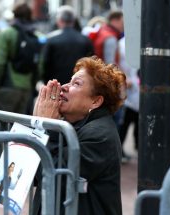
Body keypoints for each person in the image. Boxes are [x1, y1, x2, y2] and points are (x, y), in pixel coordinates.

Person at [34, 56, 126, 215]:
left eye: (76, 84)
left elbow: (55, 176)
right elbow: (35, 174)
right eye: (70, 81)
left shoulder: (99, 136)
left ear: (95, 102)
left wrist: (48, 127)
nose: (64, 87)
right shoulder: (73, 125)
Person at [0, 2, 39, 179]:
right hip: (25, 90)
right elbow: (38, 67)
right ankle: (13, 173)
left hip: (7, 88)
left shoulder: (7, 34)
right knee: (19, 134)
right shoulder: (35, 35)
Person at [41, 5, 93, 85]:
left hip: (56, 86)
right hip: (78, 86)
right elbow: (91, 64)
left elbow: (44, 65)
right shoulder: (85, 40)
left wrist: (46, 82)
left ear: (59, 20)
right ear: (73, 20)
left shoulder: (51, 39)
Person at [118, 36, 140, 162]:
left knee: (135, 121)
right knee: (125, 122)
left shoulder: (124, 42)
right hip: (129, 90)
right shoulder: (123, 43)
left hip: (134, 89)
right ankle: (121, 150)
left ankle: (137, 147)